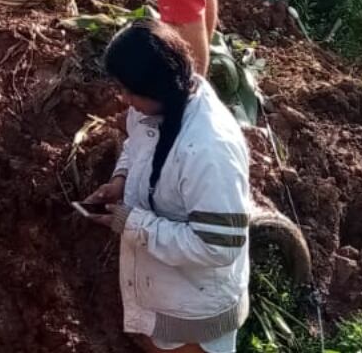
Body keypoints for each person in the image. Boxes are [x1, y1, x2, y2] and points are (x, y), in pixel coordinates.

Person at [82, 23, 252, 353]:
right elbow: (138, 145)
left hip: (196, 311)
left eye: (131, 92)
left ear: (158, 85)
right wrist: (120, 180)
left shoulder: (209, 148)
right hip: (164, 292)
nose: (125, 100)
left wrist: (131, 223)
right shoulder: (157, 105)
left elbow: (218, 246)